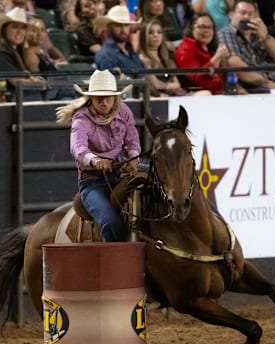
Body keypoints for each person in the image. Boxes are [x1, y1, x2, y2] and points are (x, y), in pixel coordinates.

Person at [57, 69, 140, 242]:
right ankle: (114, 261)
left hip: (119, 172)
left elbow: (132, 139)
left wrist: (134, 158)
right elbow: (77, 147)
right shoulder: (82, 118)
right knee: (110, 222)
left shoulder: (124, 112)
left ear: (115, 98)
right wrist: (95, 161)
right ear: (91, 98)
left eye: (107, 97)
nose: (103, 101)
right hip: (93, 183)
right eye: (98, 97)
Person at [0, 7, 55, 100]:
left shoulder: (20, 51)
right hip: (8, 99)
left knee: (63, 90)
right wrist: (40, 83)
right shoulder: (0, 53)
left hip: (23, 95)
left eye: (23, 28)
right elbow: (16, 81)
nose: (19, 32)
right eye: (15, 27)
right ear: (4, 30)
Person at [217, 0, 275, 93]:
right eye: (243, 13)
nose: (246, 17)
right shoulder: (226, 33)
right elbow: (235, 64)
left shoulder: (259, 33)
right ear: (232, 14)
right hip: (252, 88)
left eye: (250, 14)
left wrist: (265, 36)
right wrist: (265, 83)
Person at [174, 12, 232, 93]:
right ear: (192, 28)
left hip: (221, 92)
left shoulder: (210, 48)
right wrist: (217, 56)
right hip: (200, 96)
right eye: (201, 27)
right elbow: (199, 80)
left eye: (209, 27)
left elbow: (224, 75)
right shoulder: (185, 49)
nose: (206, 30)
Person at [137, 18, 189, 96]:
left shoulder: (167, 60)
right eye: (150, 32)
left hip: (173, 95)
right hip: (157, 98)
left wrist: (167, 86)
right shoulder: (143, 59)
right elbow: (156, 85)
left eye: (159, 32)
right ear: (144, 36)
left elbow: (177, 84)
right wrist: (170, 86)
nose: (155, 35)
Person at [94, 5, 144, 75]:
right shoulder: (106, 55)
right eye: (118, 25)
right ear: (109, 27)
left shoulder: (131, 50)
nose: (123, 29)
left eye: (126, 25)